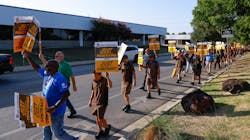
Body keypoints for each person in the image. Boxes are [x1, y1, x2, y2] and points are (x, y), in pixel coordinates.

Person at [22, 51, 78, 140]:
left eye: (47, 66)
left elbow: (66, 94)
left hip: (56, 112)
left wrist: (55, 106)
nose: (45, 67)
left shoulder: (59, 78)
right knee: (46, 131)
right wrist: (28, 57)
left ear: (54, 68)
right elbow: (36, 67)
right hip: (45, 109)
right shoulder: (47, 74)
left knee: (58, 133)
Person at [40, 51, 77, 118]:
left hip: (64, 83)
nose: (55, 57)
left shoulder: (65, 65)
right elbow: (47, 65)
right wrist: (42, 58)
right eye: (55, 56)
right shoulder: (55, 64)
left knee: (64, 97)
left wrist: (74, 85)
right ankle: (72, 110)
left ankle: (70, 110)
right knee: (63, 98)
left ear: (62, 57)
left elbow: (72, 75)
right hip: (57, 83)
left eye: (57, 56)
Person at [88, 71, 112, 139]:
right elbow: (93, 91)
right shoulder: (93, 81)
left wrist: (108, 77)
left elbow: (110, 86)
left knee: (100, 118)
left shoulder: (104, 80)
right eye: (93, 75)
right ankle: (100, 131)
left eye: (95, 75)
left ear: (100, 75)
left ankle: (107, 127)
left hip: (103, 102)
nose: (94, 76)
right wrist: (90, 100)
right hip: (95, 102)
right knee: (97, 117)